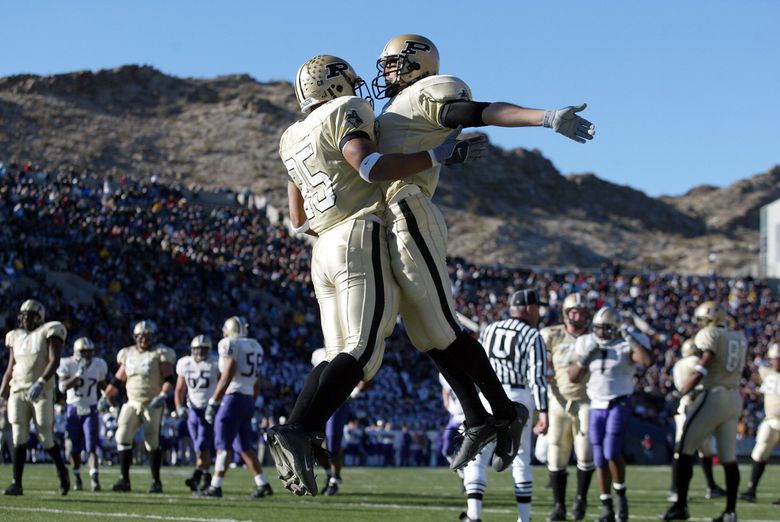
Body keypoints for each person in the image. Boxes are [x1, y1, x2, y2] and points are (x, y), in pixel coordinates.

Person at [371, 34, 594, 472]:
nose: (386, 72)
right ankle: (479, 417)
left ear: (417, 64)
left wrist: (545, 117)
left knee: (441, 325)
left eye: (393, 63)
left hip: (410, 208)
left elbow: (481, 112)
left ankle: (503, 413)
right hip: (388, 216)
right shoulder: (393, 107)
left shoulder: (427, 92)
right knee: (424, 334)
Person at [271, 54, 483, 496]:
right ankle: (300, 428)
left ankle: (298, 427)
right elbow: (369, 166)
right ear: (332, 85)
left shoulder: (290, 136)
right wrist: (435, 154)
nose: (356, 84)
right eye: (347, 78)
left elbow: (296, 216)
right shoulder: (346, 111)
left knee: (335, 354)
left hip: (321, 246)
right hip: (355, 234)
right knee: (364, 352)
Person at [460, 289, 549, 522]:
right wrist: (544, 411)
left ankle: (473, 514)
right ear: (528, 308)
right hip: (519, 395)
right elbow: (537, 377)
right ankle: (524, 518)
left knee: (478, 454)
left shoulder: (490, 329)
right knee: (520, 458)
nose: (539, 312)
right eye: (537, 307)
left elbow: (477, 365)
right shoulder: (533, 336)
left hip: (490, 394)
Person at [661, 301, 747, 522]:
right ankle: (730, 512)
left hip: (714, 395)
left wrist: (688, 386)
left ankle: (680, 505)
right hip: (734, 397)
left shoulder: (709, 335)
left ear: (710, 320)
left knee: (684, 449)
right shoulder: (738, 336)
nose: (698, 324)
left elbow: (706, 360)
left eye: (701, 320)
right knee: (729, 458)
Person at [569, 306, 652, 522]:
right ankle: (606, 505)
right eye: (597, 328)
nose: (600, 333)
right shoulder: (587, 342)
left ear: (616, 329)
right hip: (595, 404)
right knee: (598, 457)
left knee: (611, 451)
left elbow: (646, 361)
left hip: (619, 402)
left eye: (605, 329)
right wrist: (585, 358)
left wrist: (630, 339)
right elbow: (573, 377)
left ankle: (621, 498)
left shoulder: (627, 341)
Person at [0, 299, 70, 496]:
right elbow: (10, 368)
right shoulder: (15, 336)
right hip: (18, 390)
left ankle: (62, 472)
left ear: (39, 317)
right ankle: (16, 483)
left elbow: (54, 361)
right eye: (22, 315)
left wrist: (41, 382)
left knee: (45, 436)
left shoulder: (50, 330)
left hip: (42, 390)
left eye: (29, 315)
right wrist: (1, 393)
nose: (24, 318)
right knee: (18, 436)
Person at [199, 317, 272, 499]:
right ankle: (263, 483)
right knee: (244, 446)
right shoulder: (255, 345)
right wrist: (250, 402)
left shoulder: (229, 343)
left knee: (223, 445)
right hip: (247, 398)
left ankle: (215, 487)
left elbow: (228, 374)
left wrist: (213, 401)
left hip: (232, 398)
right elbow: (256, 380)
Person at [99, 320, 176, 493]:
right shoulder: (128, 354)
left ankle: (156, 481)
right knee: (122, 437)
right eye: (141, 336)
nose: (144, 339)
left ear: (153, 337)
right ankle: (124, 479)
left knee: (152, 441)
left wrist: (163, 396)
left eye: (147, 336)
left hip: (152, 402)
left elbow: (170, 379)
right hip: (132, 402)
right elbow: (118, 380)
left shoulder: (160, 353)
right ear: (135, 337)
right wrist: (105, 396)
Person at [540, 293, 595, 521]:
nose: (578, 315)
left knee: (585, 452)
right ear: (565, 312)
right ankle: (559, 506)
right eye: (574, 311)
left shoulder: (595, 336)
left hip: (587, 401)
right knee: (556, 454)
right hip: (558, 401)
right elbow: (538, 362)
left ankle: (581, 499)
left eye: (582, 312)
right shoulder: (552, 334)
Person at [668, 338, 726, 502]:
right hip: (695, 407)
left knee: (697, 449)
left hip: (687, 408)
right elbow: (702, 382)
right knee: (696, 450)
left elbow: (681, 387)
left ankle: (709, 486)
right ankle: (678, 489)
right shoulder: (697, 362)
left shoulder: (679, 365)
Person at [57, 336, 108, 491]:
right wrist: (78, 375)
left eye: (89, 352)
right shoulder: (67, 363)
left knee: (91, 446)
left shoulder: (99, 364)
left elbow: (103, 385)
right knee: (73, 447)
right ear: (76, 352)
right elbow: (62, 387)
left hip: (91, 408)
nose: (87, 355)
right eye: (83, 352)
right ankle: (77, 476)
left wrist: (106, 397)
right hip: (73, 408)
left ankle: (94, 478)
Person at [175, 334, 219, 493]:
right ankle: (206, 477)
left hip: (208, 410)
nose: (200, 351)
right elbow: (179, 388)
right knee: (200, 448)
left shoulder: (215, 363)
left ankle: (196, 476)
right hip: (192, 410)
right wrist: (179, 406)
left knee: (202, 445)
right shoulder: (185, 363)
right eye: (197, 348)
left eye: (203, 349)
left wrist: (216, 404)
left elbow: (223, 384)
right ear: (192, 349)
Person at [740, 342, 780, 504]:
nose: (776, 362)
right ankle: (751, 489)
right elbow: (752, 376)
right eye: (775, 359)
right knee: (759, 452)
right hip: (770, 420)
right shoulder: (767, 373)